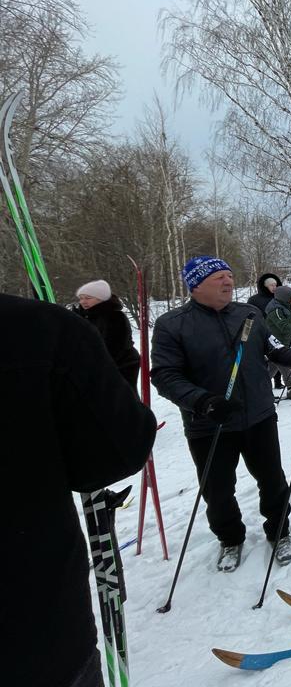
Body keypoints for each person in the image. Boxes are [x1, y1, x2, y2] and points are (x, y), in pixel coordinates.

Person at [5, 293, 156, 687]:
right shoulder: (43, 326)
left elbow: (126, 355)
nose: (83, 299)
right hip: (37, 637)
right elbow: (115, 453)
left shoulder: (86, 323)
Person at [151, 256, 291, 571]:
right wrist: (203, 402)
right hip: (210, 423)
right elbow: (165, 376)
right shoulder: (172, 325)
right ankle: (230, 539)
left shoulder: (249, 314)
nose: (228, 281)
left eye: (229, 275)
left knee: (273, 480)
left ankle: (279, 531)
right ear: (196, 285)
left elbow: (274, 349)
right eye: (218, 277)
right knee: (218, 490)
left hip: (259, 416)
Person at [74, 279, 141, 387]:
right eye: (81, 298)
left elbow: (114, 347)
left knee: (120, 400)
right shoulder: (83, 316)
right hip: (95, 367)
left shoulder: (114, 317)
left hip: (119, 366)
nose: (82, 302)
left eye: (88, 298)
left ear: (101, 299)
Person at [247, 272, 284, 387]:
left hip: (279, 332)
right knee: (267, 360)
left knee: (280, 356)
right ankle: (264, 385)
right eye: (271, 285)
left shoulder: (280, 297)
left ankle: (278, 382)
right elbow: (250, 316)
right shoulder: (254, 300)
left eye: (276, 285)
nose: (274, 287)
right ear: (265, 286)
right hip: (262, 332)